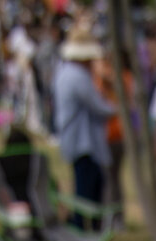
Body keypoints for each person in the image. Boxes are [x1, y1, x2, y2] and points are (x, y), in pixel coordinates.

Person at [51, 24, 112, 211]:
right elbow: (97, 106)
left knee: (85, 185)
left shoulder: (63, 72)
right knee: (88, 190)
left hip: (73, 138)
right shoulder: (78, 76)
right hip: (83, 142)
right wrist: (119, 109)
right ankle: (84, 228)